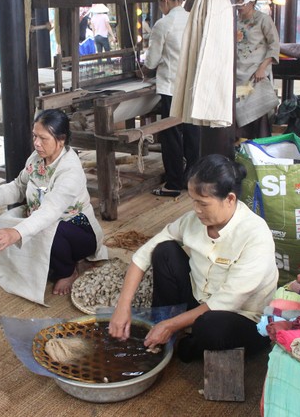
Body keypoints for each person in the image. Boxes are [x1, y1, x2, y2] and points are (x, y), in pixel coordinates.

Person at [109, 154, 278, 362]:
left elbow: (227, 301)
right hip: (201, 301)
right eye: (193, 201)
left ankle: (185, 340)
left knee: (210, 327)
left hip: (242, 319)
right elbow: (144, 253)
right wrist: (123, 306)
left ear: (230, 199)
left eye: (203, 203)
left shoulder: (255, 234)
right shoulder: (193, 221)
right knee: (164, 250)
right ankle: (162, 327)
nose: (196, 210)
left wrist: (172, 324)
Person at [0, 109, 108, 302]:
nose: (36, 143)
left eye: (43, 138)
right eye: (35, 136)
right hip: (46, 223)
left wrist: (16, 233)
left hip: (79, 232)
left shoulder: (70, 171)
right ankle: (50, 259)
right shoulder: (36, 160)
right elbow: (20, 186)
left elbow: (50, 211)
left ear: (61, 140)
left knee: (44, 228)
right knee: (7, 223)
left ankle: (68, 271)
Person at [142, 0, 200, 198]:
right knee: (193, 133)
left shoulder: (163, 24)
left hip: (171, 87)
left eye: (160, 3)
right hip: (191, 85)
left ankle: (173, 183)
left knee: (172, 135)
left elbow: (153, 59)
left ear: (164, 0)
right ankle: (192, 179)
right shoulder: (193, 19)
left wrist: (144, 71)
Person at [235, 0, 281, 139]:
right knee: (237, 114)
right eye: (237, 1)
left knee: (257, 115)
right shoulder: (234, 21)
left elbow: (274, 45)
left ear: (252, 1)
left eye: (243, 1)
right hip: (238, 75)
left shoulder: (263, 19)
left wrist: (262, 68)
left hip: (256, 75)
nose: (240, 5)